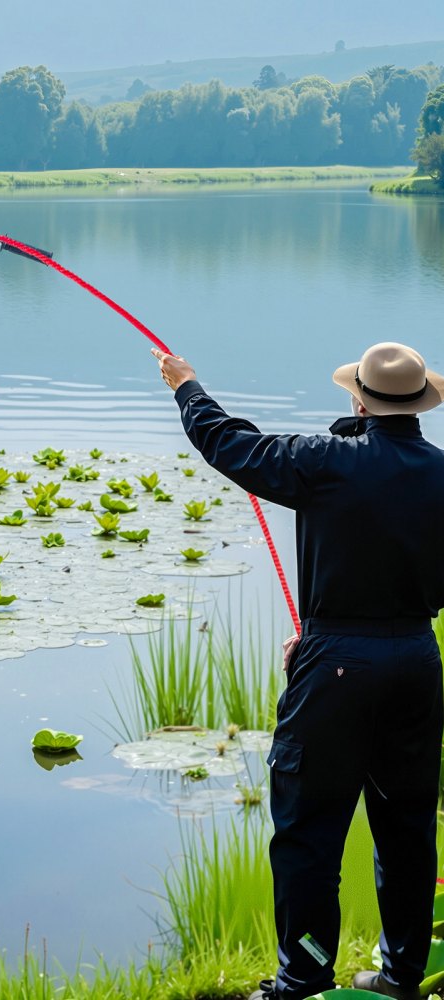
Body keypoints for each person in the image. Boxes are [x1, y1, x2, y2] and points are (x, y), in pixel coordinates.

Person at [152, 342, 444, 1000]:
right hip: (417, 664)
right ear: (420, 404)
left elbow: (232, 445)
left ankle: (304, 980)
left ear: (359, 399)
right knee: (406, 831)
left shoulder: (325, 462)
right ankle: (401, 976)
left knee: (309, 835)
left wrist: (187, 386)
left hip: (336, 669)